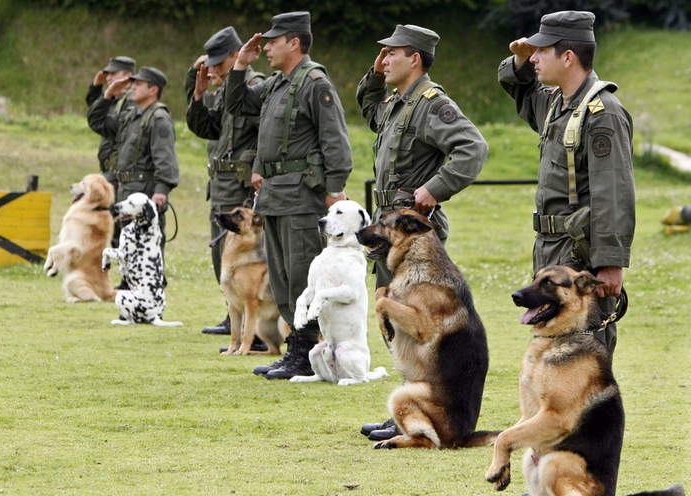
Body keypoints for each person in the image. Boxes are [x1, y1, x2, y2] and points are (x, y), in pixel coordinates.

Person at [355, 24, 488, 441]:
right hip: (389, 226)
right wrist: (374, 78)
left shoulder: (432, 104)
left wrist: (435, 189)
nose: (385, 58)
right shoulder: (399, 103)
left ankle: (424, 409)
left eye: (392, 53)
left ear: (415, 58)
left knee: (417, 324)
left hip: (413, 232)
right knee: (395, 323)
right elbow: (370, 112)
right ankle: (406, 408)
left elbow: (473, 147)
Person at [498, 10, 635, 356]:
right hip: (551, 248)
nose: (535, 59)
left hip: (579, 252)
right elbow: (518, 88)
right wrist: (518, 60)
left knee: (585, 355)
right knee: (553, 352)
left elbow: (613, 193)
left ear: (568, 57)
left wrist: (610, 263)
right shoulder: (559, 104)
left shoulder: (602, 113)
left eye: (542, 51)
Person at [226, 11, 353, 380]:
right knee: (281, 279)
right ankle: (297, 349)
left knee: (301, 276)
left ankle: (308, 350)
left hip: (301, 195)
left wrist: (334, 189)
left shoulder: (314, 82)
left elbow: (335, 139)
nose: (265, 47)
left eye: (273, 41)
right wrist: (239, 67)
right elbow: (238, 107)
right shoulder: (278, 84)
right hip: (275, 196)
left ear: (294, 42)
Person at [184, 26, 266, 340]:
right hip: (220, 182)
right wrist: (198, 93)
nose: (214, 70)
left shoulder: (254, 87)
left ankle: (251, 320)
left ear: (236, 55)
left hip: (242, 183)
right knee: (221, 253)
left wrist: (256, 170)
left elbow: (265, 135)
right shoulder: (222, 92)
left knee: (246, 255)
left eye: (219, 63)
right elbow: (205, 128)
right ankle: (232, 312)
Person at [88, 66, 179, 256]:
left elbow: (165, 158)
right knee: (125, 246)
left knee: (146, 249)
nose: (133, 88)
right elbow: (98, 122)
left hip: (144, 192)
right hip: (125, 190)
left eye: (138, 84)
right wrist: (108, 96)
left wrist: (161, 191)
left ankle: (151, 285)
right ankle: (126, 283)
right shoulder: (131, 115)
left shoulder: (158, 118)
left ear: (153, 90)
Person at [85, 56, 136, 248]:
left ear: (128, 76)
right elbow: (95, 109)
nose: (108, 77)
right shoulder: (118, 99)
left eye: (113, 74)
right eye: (107, 74)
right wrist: (97, 89)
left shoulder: (131, 103)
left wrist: (105, 95)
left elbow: (97, 119)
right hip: (111, 171)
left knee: (119, 230)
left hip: (119, 174)